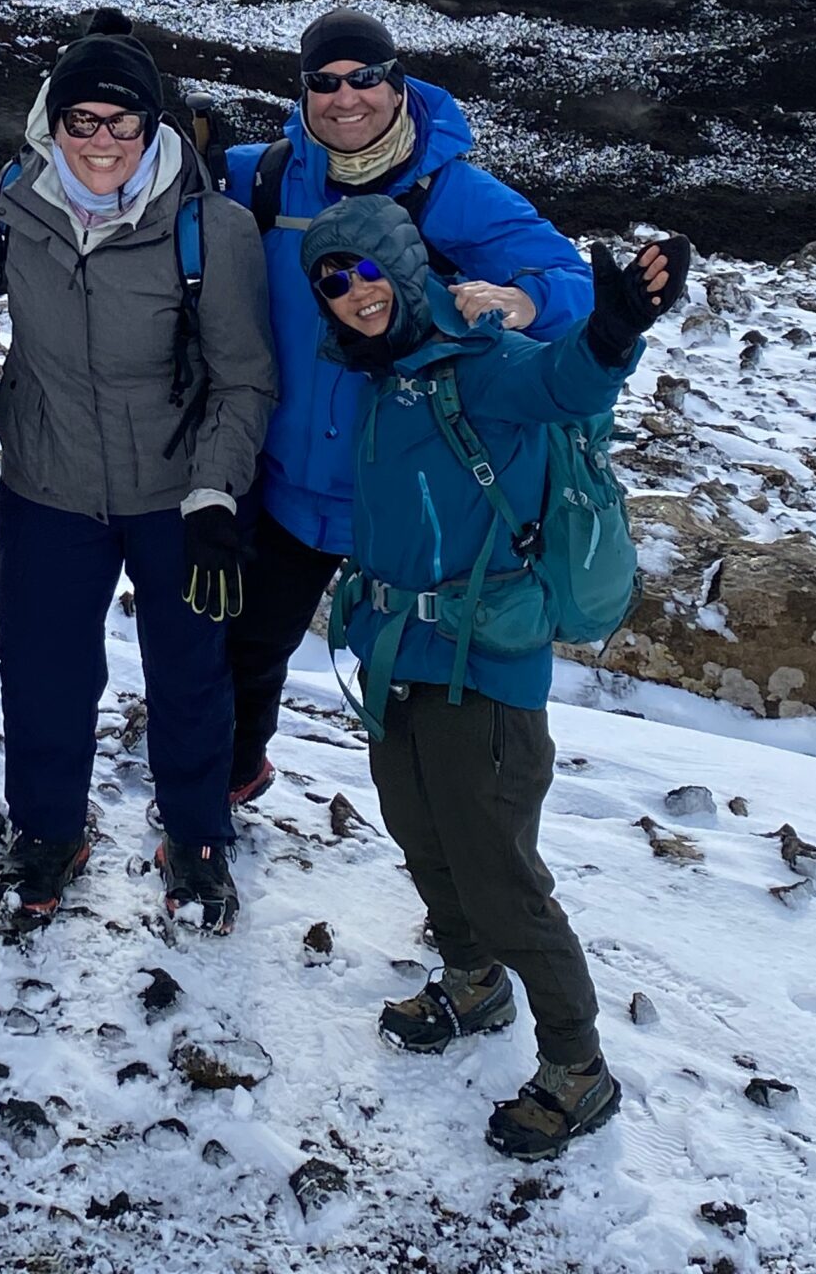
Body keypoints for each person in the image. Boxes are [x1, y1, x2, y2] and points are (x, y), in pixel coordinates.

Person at [302, 192, 688, 1158]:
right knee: (422, 835)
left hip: (488, 665)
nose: (354, 295)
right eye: (333, 282)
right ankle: (473, 984)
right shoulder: (375, 375)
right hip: (400, 655)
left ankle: (577, 1066)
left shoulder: (481, 364)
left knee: (499, 870)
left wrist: (612, 328)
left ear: (408, 271)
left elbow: (569, 384)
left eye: (369, 272)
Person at [0, 10, 276, 936]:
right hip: (49, 484)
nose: (101, 142)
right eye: (81, 121)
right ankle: (48, 832)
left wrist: (216, 494)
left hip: (179, 497)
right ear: (52, 123)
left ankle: (197, 836)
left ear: (153, 128)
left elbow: (246, 381)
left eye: (120, 123)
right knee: (43, 669)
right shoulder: (21, 202)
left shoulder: (209, 229)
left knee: (190, 672)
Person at [216, 6, 591, 809]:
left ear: (397, 81)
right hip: (289, 482)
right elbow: (129, 164)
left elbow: (575, 283)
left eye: (364, 78)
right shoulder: (267, 177)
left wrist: (524, 301)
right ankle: (236, 777)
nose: (345, 98)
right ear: (304, 90)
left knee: (428, 686)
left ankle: (463, 859)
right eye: (324, 82)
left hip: (411, 496)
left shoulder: (454, 193)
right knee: (250, 650)